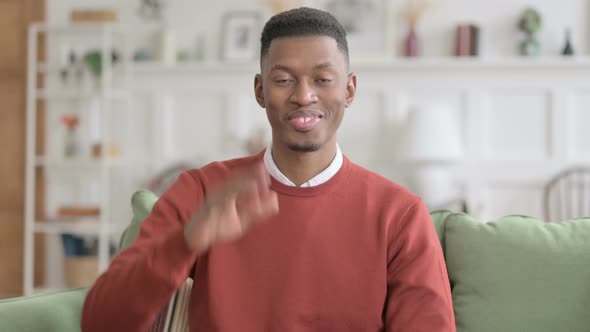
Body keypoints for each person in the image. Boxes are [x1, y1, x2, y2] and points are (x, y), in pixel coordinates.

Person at [82, 7, 455, 332]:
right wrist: (185, 243)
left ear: (349, 90)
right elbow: (101, 323)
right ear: (260, 91)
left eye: (323, 80)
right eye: (283, 80)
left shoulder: (400, 214)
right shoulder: (200, 191)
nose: (303, 95)